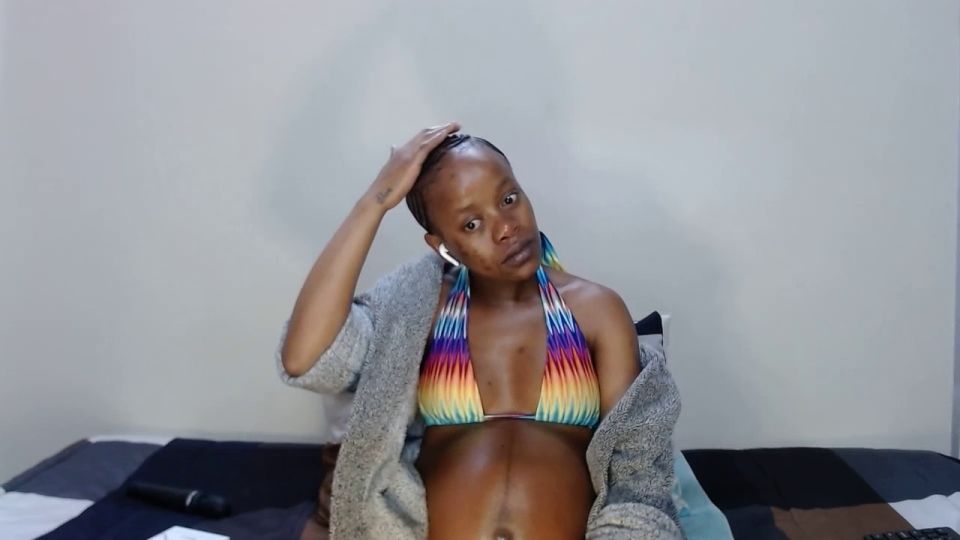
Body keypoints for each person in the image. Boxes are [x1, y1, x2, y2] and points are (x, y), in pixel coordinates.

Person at [277, 123, 683, 539]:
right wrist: (376, 200)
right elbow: (305, 358)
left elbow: (634, 466)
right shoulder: (418, 313)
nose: (505, 227)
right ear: (442, 245)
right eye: (471, 224)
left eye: (508, 199)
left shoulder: (596, 310)